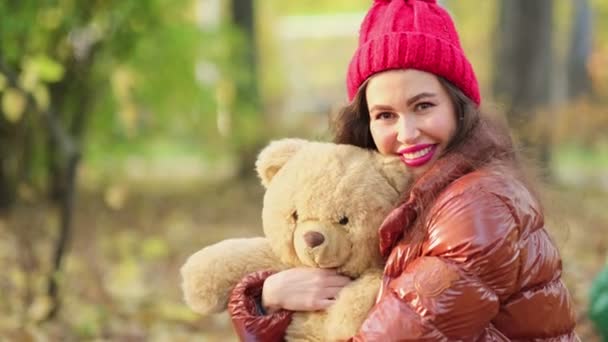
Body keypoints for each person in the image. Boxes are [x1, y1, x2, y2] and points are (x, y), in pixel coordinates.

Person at [226, 0, 579, 340]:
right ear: (366, 122)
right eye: (385, 115)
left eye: (423, 106)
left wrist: (263, 306)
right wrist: (267, 296)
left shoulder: (477, 207)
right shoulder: (398, 198)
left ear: (459, 107)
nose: (407, 133)